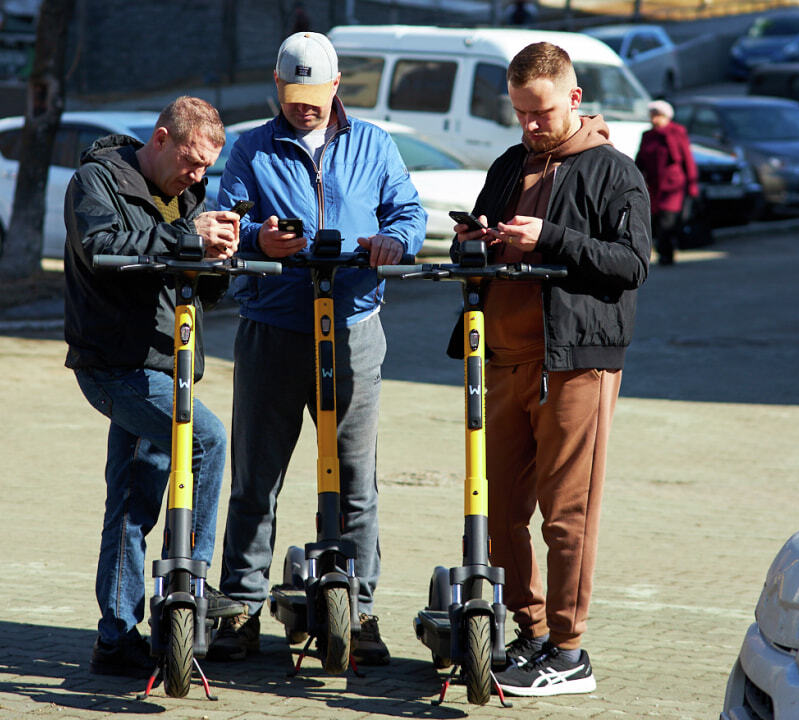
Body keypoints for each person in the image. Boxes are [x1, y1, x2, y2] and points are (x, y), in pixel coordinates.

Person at [208, 31, 427, 666]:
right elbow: (228, 222)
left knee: (357, 479)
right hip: (272, 328)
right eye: (294, 94)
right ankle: (242, 610)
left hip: (355, 328)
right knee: (256, 477)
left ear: (338, 86)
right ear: (278, 86)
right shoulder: (253, 147)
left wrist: (394, 241)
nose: (306, 106)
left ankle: (356, 610)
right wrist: (258, 239)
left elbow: (408, 214)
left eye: (317, 94)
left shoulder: (374, 144)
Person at [450, 41, 649, 696]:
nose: (531, 126)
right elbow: (473, 250)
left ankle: (569, 653)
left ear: (574, 98)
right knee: (499, 507)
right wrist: (472, 242)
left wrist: (550, 238)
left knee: (567, 515)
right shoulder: (510, 164)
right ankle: (529, 633)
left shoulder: (614, 172)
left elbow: (631, 264)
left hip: (575, 365)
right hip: (500, 361)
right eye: (520, 113)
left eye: (540, 112)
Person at [63, 96, 248, 677]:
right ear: (162, 139)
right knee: (210, 439)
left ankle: (116, 639)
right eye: (192, 162)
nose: (198, 177)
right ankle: (190, 575)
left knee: (131, 502)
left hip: (167, 363)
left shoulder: (185, 195)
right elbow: (103, 249)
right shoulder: (97, 180)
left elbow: (189, 285)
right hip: (114, 364)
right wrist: (185, 235)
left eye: (206, 170)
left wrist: (220, 258)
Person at [635, 99, 698, 266]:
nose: (654, 119)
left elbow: (687, 159)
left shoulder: (677, 132)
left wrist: (692, 184)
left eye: (657, 116)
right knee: (655, 219)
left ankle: (667, 254)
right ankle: (663, 251)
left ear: (666, 117)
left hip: (673, 185)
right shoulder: (647, 136)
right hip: (654, 186)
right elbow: (640, 160)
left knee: (667, 219)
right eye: (652, 115)